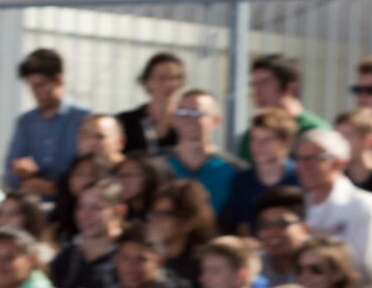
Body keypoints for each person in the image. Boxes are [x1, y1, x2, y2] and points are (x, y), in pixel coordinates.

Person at [298, 128, 372, 280]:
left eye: (314, 159)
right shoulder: (298, 204)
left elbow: (369, 265)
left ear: (339, 162)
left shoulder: (364, 205)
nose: (304, 166)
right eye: (300, 159)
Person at [4, 49, 88, 196]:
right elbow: (9, 172)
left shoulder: (83, 119)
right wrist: (20, 172)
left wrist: (54, 188)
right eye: (31, 86)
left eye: (41, 85)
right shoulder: (25, 122)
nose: (35, 93)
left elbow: (88, 170)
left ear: (59, 80)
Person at [234, 53, 328, 161]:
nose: (256, 92)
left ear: (289, 88)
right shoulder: (253, 136)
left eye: (265, 83)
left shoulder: (315, 131)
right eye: (254, 85)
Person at [223, 107, 299, 235]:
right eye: (254, 139)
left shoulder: (301, 177)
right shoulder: (241, 181)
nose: (258, 146)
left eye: (266, 140)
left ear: (285, 142)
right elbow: (243, 226)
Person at [164, 90, 238, 218]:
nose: (188, 119)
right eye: (182, 112)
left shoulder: (234, 170)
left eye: (196, 113)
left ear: (215, 120)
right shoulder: (158, 165)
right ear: (174, 119)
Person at [118, 52, 185, 156]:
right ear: (146, 81)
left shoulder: (188, 121)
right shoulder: (127, 122)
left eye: (175, 78)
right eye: (162, 78)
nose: (169, 84)